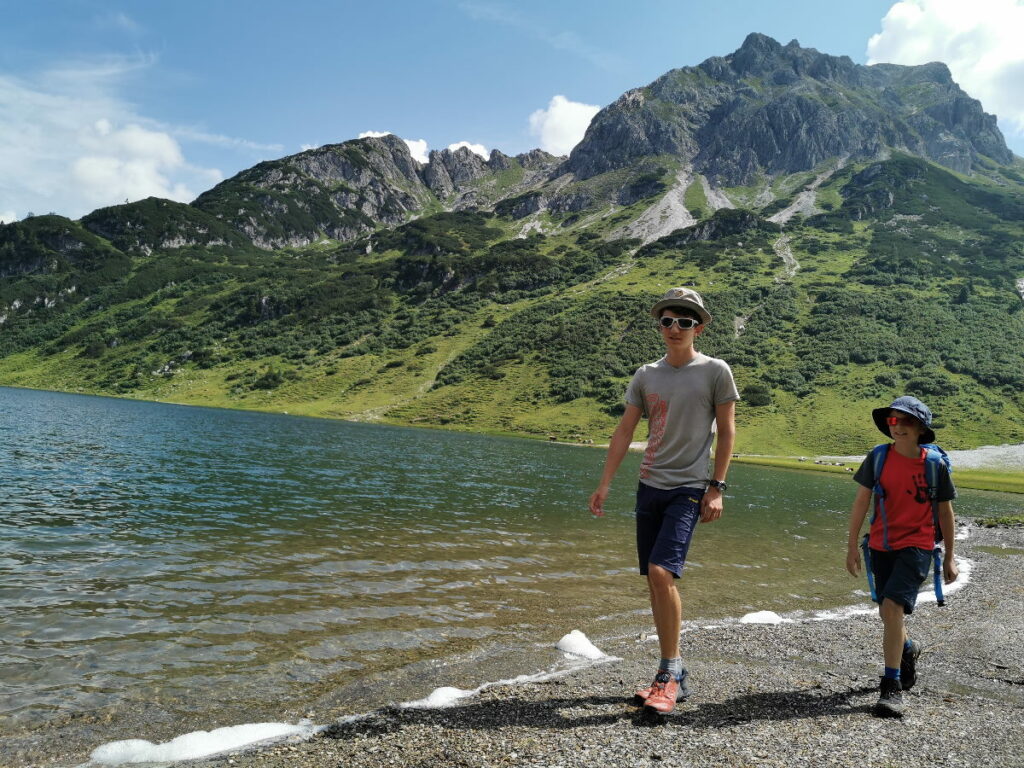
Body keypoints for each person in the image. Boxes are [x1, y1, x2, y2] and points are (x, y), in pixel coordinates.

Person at [589, 287, 738, 716]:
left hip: (689, 487)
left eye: (685, 322)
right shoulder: (645, 375)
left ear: (700, 328)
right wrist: (604, 485)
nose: (675, 328)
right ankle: (673, 670)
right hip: (648, 485)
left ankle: (669, 673)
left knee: (661, 570)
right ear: (659, 326)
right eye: (668, 321)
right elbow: (624, 432)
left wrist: (717, 487)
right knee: (655, 581)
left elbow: (726, 432)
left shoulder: (715, 371)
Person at [845, 395, 958, 718]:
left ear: (921, 428)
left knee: (892, 608)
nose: (898, 427)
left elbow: (946, 512)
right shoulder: (878, 458)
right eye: (893, 421)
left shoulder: (934, 466)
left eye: (906, 421)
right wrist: (852, 546)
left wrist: (950, 557)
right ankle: (908, 648)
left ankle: (890, 687)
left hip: (918, 546)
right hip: (880, 545)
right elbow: (860, 503)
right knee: (887, 612)